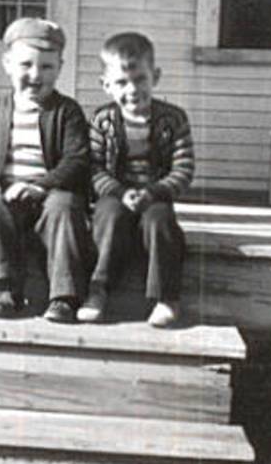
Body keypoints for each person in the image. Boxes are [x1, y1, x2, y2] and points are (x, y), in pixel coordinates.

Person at [0, 17, 92, 323]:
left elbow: (77, 159)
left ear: (60, 67)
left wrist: (41, 186)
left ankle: (64, 296)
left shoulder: (67, 111)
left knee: (65, 208)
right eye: (26, 65)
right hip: (7, 195)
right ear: (7, 64)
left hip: (50, 195)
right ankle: (5, 288)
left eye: (46, 67)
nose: (35, 75)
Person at [78, 31, 193, 327]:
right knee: (108, 216)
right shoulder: (102, 121)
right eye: (121, 82)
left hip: (154, 196)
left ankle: (166, 298)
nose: (132, 89)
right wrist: (119, 192)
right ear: (105, 85)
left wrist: (153, 192)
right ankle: (98, 289)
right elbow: (93, 168)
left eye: (140, 79)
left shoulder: (173, 119)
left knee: (159, 221)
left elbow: (183, 169)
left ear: (155, 76)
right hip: (115, 196)